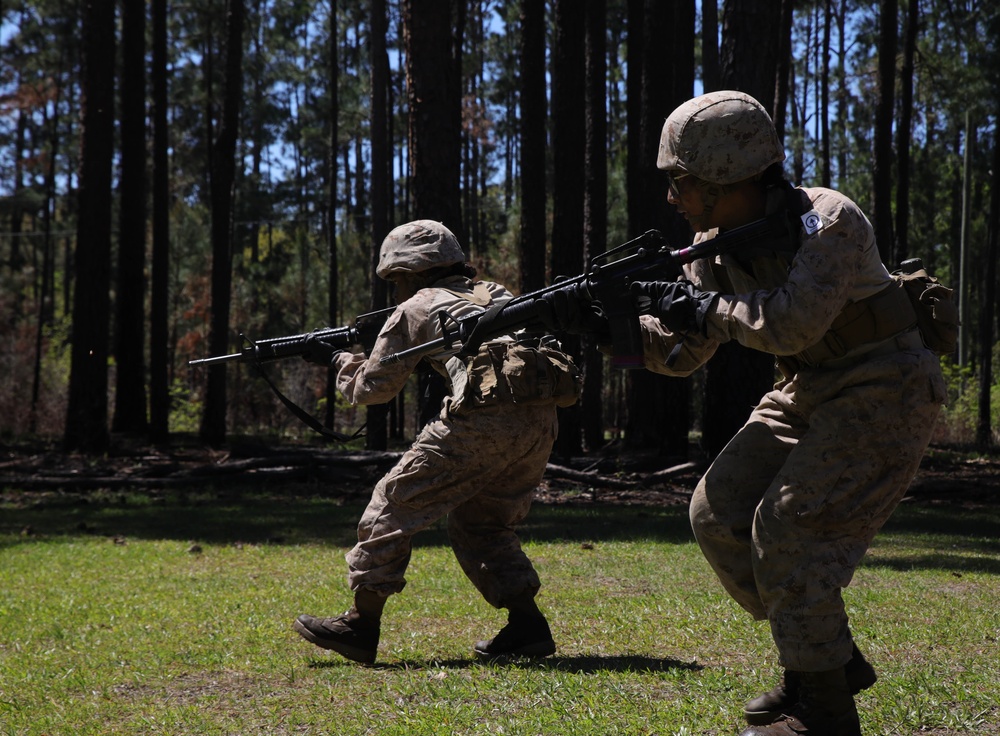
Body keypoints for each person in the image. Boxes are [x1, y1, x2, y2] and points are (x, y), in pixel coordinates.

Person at [548, 91, 945, 736]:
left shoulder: (828, 219)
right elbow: (681, 353)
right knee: (717, 512)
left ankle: (824, 712)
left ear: (724, 178)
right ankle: (822, 662)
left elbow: (790, 323)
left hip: (885, 383)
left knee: (789, 527)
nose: (672, 197)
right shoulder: (713, 244)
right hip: (809, 385)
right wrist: (606, 328)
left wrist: (700, 309)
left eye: (681, 182)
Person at [293, 219, 580, 666]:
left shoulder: (417, 306)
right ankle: (527, 626)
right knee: (483, 524)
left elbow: (372, 390)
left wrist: (337, 359)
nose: (395, 291)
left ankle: (360, 624)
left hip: (480, 420)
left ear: (408, 272)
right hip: (541, 422)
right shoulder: (498, 293)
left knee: (391, 504)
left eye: (396, 281)